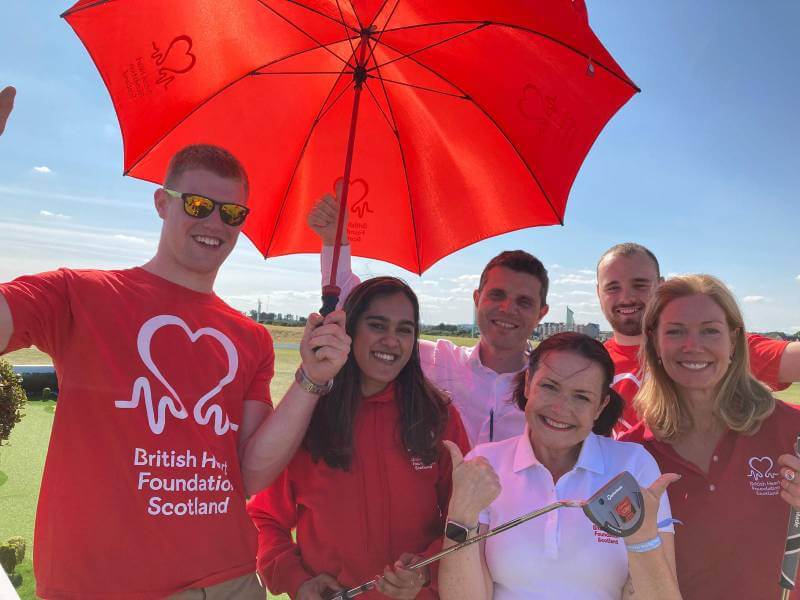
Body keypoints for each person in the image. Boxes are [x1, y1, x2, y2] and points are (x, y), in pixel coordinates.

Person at [0, 144, 350, 599]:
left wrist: (312, 377)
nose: (215, 224)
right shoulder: (81, 295)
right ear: (162, 203)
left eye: (232, 213)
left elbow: (249, 473)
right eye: (198, 205)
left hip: (229, 580)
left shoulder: (251, 337)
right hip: (100, 586)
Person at [247, 277, 471, 600]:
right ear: (349, 331)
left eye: (405, 329)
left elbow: (468, 519)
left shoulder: (438, 416)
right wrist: (297, 580)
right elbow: (264, 518)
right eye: (378, 325)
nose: (392, 341)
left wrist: (427, 569)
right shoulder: (307, 416)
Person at [438, 332, 680, 600]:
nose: (560, 407)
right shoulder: (484, 465)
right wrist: (461, 516)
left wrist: (642, 540)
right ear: (529, 383)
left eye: (581, 397)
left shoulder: (633, 466)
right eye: (550, 386)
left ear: (601, 406)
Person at [308, 189, 549, 446]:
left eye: (524, 302)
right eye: (497, 295)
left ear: (541, 314)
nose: (507, 308)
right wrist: (335, 242)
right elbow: (353, 308)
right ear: (477, 299)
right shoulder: (434, 360)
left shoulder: (550, 387)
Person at [621, 274, 800, 599]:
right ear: (655, 343)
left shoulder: (792, 429)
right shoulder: (631, 452)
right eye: (675, 331)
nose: (693, 345)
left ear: (734, 341)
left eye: (710, 330)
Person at [596, 242, 799, 433]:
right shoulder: (590, 364)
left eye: (640, 285)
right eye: (613, 287)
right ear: (599, 293)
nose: (626, 297)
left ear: (660, 287)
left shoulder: (713, 348)